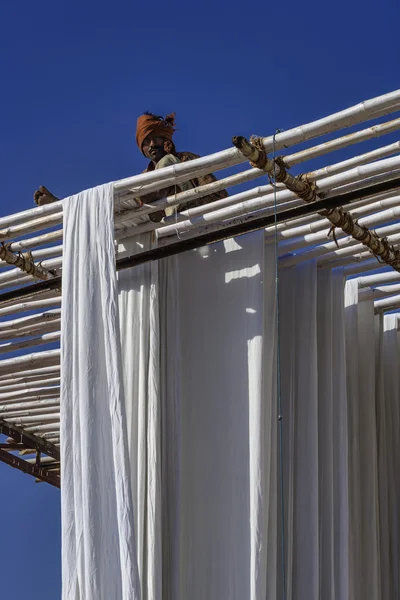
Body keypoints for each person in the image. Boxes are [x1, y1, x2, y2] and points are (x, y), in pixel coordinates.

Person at [33, 112, 228, 218]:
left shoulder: (186, 159)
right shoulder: (144, 174)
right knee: (113, 203)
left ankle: (151, 195)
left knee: (165, 165)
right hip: (154, 220)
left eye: (157, 139)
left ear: (166, 139)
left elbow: (218, 195)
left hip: (190, 215)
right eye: (146, 141)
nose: (151, 145)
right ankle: (65, 208)